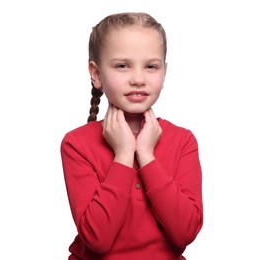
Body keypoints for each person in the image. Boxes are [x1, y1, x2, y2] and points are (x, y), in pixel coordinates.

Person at [60, 12, 203, 260]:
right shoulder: (76, 144)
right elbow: (98, 240)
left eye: (151, 66)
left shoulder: (183, 141)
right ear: (96, 74)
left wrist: (146, 155)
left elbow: (185, 232)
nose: (138, 79)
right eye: (122, 65)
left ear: (164, 72)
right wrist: (124, 154)